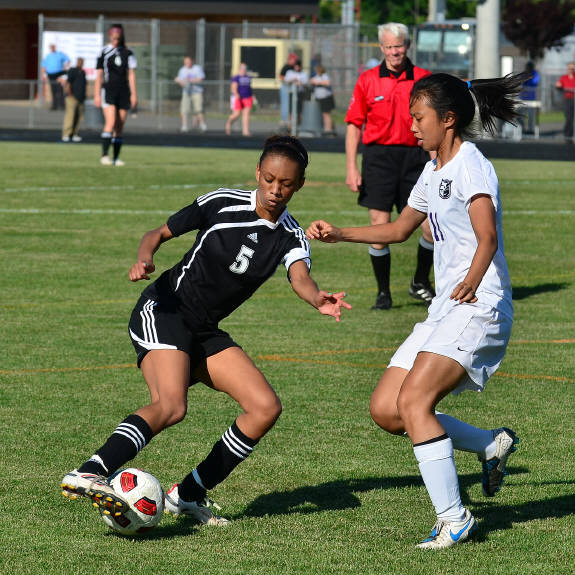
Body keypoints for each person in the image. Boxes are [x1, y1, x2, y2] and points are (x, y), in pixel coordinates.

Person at [60, 136, 351, 525]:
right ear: (257, 173)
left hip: (203, 329)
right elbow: (157, 234)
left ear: (299, 185)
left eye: (286, 184)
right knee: (171, 405)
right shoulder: (222, 202)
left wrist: (317, 298)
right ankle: (89, 471)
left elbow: (300, 278)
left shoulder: (291, 236)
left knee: (264, 407)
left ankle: (186, 496)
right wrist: (145, 259)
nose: (275, 190)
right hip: (165, 309)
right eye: (269, 179)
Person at [307, 71, 528, 548]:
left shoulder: (471, 166)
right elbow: (399, 229)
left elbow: (487, 237)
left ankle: (454, 519)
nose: (411, 125)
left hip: (480, 304)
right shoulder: (433, 169)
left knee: (413, 402)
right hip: (447, 308)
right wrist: (340, 234)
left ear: (447, 119)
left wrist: (471, 281)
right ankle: (488, 443)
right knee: (387, 410)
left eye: (418, 116)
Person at [345, 22, 435, 311]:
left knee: (430, 227)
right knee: (379, 225)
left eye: (399, 46)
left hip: (416, 158)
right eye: (389, 47)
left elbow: (434, 124)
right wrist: (351, 167)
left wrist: (437, 162)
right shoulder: (367, 80)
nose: (395, 52)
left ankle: (420, 281)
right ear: (381, 48)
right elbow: (354, 125)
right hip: (378, 159)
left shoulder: (423, 79)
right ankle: (383, 293)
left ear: (407, 46)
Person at [94, 24, 137, 166]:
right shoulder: (104, 52)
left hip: (123, 92)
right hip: (109, 91)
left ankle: (116, 158)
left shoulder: (128, 53)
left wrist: (134, 94)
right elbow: (99, 75)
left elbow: (131, 75)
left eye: (117, 38)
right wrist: (97, 95)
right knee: (111, 122)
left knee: (120, 126)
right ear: (110, 36)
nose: (115, 40)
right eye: (113, 37)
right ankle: (105, 155)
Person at [175, 56, 207, 133]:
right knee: (184, 109)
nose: (187, 63)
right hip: (186, 92)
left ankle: (202, 125)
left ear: (192, 61)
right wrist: (179, 81)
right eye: (186, 62)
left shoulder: (197, 68)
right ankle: (184, 126)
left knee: (198, 109)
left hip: (196, 92)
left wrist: (190, 80)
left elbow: (200, 79)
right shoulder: (182, 70)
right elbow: (181, 81)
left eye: (188, 62)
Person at [61, 57, 86, 143]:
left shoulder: (82, 72)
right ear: (77, 62)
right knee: (70, 116)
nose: (80, 63)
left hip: (80, 98)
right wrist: (70, 94)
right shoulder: (73, 70)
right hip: (72, 97)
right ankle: (66, 134)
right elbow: (68, 83)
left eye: (82, 62)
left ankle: (74, 134)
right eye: (79, 62)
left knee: (78, 117)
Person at [225, 63, 253, 136]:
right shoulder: (236, 78)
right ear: (239, 69)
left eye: (245, 69)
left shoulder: (248, 77)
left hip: (248, 97)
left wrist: (253, 95)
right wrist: (236, 94)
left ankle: (245, 131)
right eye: (242, 68)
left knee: (246, 114)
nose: (243, 70)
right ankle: (228, 123)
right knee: (236, 114)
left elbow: (249, 88)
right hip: (239, 98)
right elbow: (233, 87)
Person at [41, 44, 70, 111]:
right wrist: (44, 73)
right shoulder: (48, 56)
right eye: (51, 47)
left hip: (58, 74)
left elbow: (68, 60)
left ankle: (62, 105)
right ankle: (54, 105)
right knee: (53, 90)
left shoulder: (59, 54)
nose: (52, 48)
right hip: (51, 75)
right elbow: (43, 65)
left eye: (53, 47)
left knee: (59, 89)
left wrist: (65, 67)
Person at [310, 65, 335, 134]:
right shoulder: (317, 77)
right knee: (322, 114)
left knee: (326, 114)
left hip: (326, 98)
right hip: (319, 98)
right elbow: (312, 81)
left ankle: (328, 129)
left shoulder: (325, 76)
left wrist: (318, 82)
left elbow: (327, 83)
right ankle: (326, 128)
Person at [284, 60, 309, 126]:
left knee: (299, 110)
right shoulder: (289, 72)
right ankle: (290, 126)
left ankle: (298, 125)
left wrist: (300, 83)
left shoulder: (303, 74)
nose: (297, 68)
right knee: (291, 110)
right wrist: (292, 80)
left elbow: (306, 83)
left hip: (300, 93)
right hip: (292, 93)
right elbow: (286, 81)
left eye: (298, 67)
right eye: (296, 66)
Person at [555, 61, 575, 142]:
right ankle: (568, 135)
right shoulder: (564, 77)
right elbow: (558, 86)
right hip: (568, 99)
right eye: (570, 68)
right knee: (569, 117)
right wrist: (558, 86)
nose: (571, 70)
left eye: (572, 68)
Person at [279, 52, 298, 131]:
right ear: (290, 59)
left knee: (292, 104)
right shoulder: (286, 67)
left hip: (292, 88)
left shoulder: (295, 67)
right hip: (285, 87)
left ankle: (291, 122)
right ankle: (284, 121)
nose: (295, 61)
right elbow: (281, 77)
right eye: (294, 59)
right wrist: (288, 80)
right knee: (285, 104)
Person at [519, 61, 539, 135]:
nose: (528, 68)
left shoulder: (535, 73)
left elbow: (534, 83)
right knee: (521, 114)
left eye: (530, 66)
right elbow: (520, 81)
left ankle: (531, 130)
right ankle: (522, 129)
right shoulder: (524, 73)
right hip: (523, 97)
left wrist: (528, 80)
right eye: (527, 66)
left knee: (531, 115)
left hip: (531, 98)